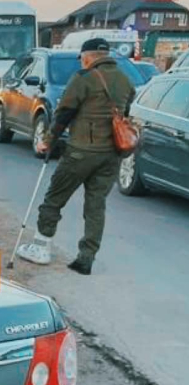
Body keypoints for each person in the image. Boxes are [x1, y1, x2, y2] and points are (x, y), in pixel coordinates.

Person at [15, 38, 136, 276]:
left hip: (81, 152)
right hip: (110, 155)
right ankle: (86, 257)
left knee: (54, 199)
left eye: (82, 57)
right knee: (95, 205)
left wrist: (47, 141)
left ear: (88, 56)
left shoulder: (83, 79)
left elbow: (64, 114)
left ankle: (41, 248)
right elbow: (125, 112)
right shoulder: (125, 80)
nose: (81, 61)